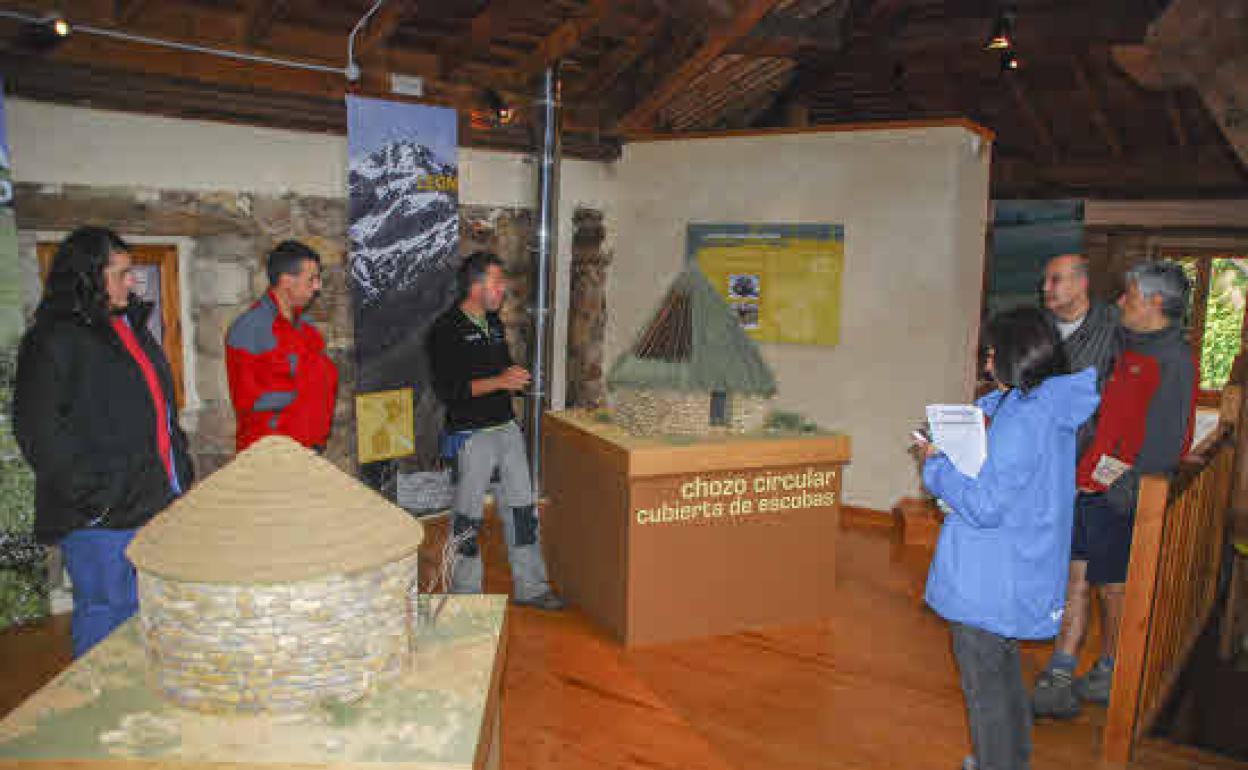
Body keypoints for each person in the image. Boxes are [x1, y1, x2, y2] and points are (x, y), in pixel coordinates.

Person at [917, 307, 1099, 770]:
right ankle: (1011, 761)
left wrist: (936, 465)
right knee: (1004, 680)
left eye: (993, 353)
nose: (985, 364)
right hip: (1016, 565)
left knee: (985, 690)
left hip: (990, 574)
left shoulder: (1023, 420)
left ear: (1017, 354)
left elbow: (983, 505)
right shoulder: (1041, 404)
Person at [14, 226, 194, 657]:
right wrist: (97, 498)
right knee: (108, 616)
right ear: (88, 276)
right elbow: (37, 431)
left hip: (153, 501)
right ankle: (96, 708)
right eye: (122, 273)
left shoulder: (130, 328)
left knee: (149, 614)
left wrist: (180, 471)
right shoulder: (52, 339)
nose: (132, 282)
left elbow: (157, 410)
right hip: (103, 517)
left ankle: (138, 707)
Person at [1033, 261, 1197, 719]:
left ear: (1155, 303)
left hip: (1122, 497)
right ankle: (1064, 667)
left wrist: (1120, 492)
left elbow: (1168, 444)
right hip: (1092, 485)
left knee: (1113, 589)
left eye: (1129, 296)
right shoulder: (1125, 343)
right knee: (1078, 578)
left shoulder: (1173, 361)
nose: (1120, 302)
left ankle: (1113, 668)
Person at [427, 251, 563, 610]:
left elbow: (498, 373)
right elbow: (450, 392)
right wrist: (500, 380)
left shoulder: (494, 323)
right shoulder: (445, 331)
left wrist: (511, 379)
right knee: (468, 518)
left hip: (507, 432)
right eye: (497, 281)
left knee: (523, 510)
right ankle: (466, 596)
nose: (503, 288)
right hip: (470, 437)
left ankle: (531, 587)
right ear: (475, 285)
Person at [226, 240, 338, 452]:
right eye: (312, 279)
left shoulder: (308, 330)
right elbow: (249, 400)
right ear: (287, 281)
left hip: (308, 453)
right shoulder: (250, 329)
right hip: (270, 457)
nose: (318, 287)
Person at [1042, 253, 1122, 453]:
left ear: (1081, 283)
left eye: (1055, 280)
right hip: (1039, 449)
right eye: (1044, 280)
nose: (1045, 288)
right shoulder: (1035, 327)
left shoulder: (1113, 327)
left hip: (1086, 455)